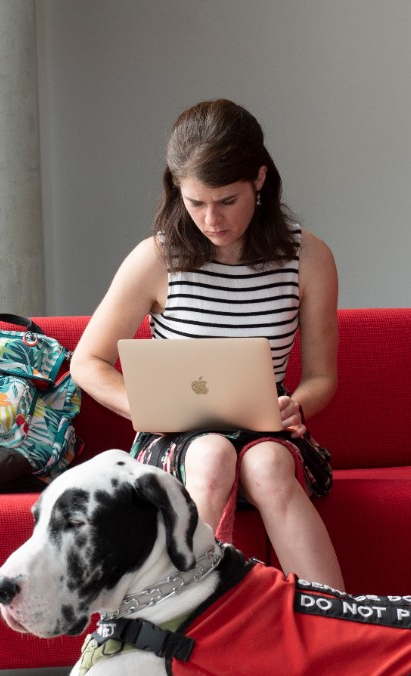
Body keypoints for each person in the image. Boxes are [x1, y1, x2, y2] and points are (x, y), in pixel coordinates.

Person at [70, 99, 344, 591]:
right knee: (213, 455)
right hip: (177, 438)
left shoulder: (309, 258)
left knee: (266, 465)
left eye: (227, 201)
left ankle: (340, 628)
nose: (211, 219)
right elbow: (87, 362)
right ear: (177, 190)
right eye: (195, 203)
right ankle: (183, 623)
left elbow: (322, 377)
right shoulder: (157, 258)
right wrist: (141, 404)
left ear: (260, 180)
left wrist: (295, 406)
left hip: (268, 432)